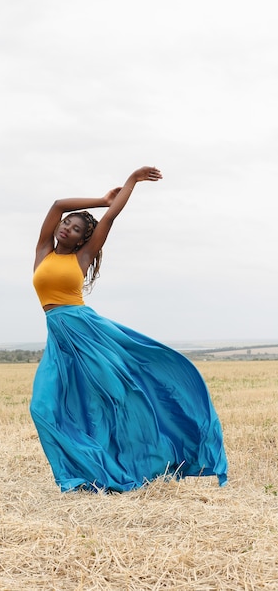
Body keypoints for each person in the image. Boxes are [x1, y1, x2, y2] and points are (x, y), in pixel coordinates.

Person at [31, 165, 228, 492]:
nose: (67, 227)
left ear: (84, 239)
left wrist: (131, 181)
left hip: (87, 332)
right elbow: (57, 205)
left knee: (121, 393)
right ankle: (85, 470)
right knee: (43, 407)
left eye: (76, 228)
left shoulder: (80, 259)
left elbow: (109, 220)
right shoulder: (42, 252)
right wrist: (99, 199)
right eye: (67, 223)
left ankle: (157, 457)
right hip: (59, 338)